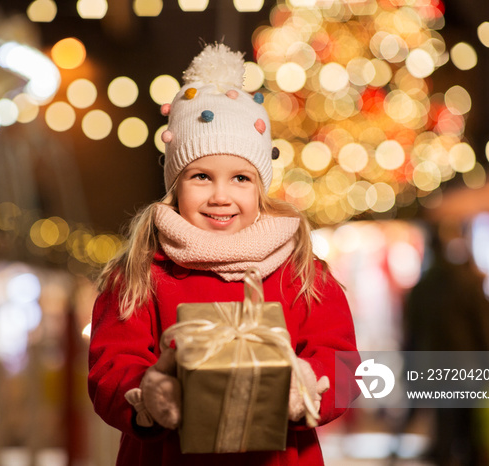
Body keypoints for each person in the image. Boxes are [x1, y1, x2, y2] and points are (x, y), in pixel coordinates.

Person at [88, 43, 359, 466]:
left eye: (239, 178)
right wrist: (150, 394)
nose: (220, 196)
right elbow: (109, 366)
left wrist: (303, 387)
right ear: (176, 184)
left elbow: (344, 366)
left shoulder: (302, 272)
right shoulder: (141, 273)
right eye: (200, 176)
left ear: (259, 186)